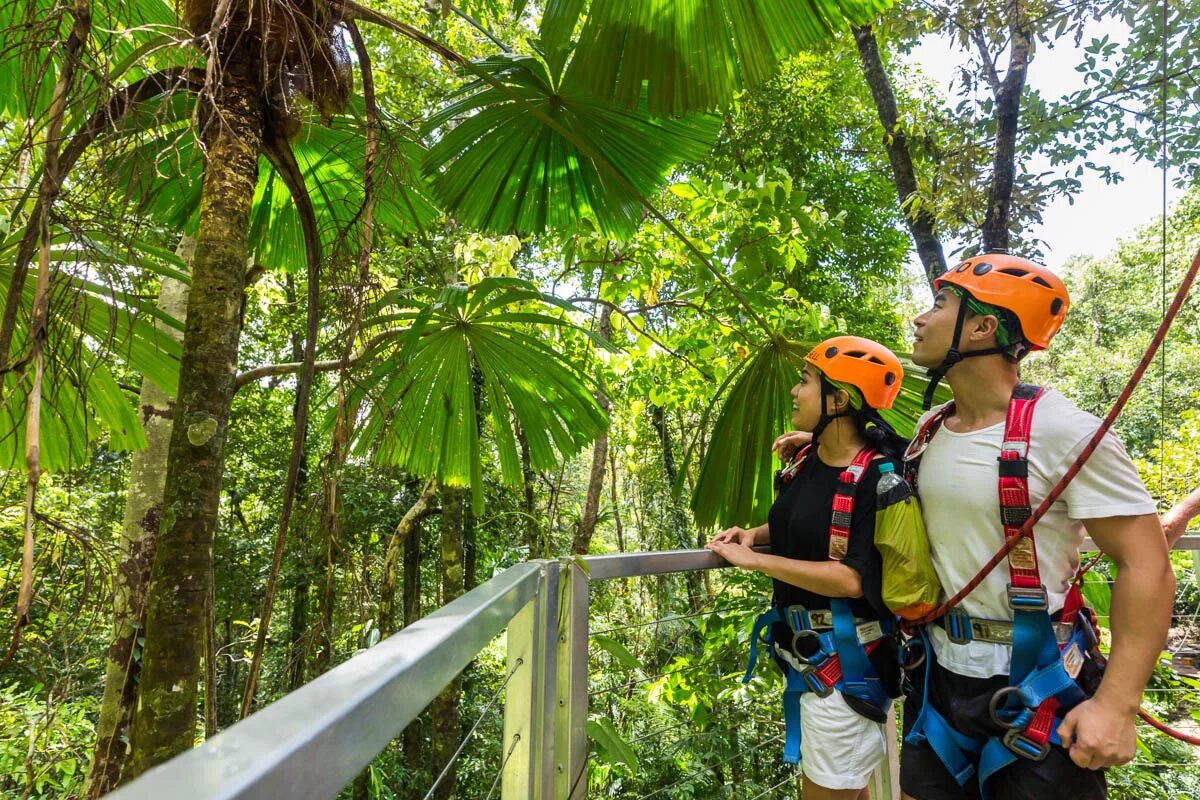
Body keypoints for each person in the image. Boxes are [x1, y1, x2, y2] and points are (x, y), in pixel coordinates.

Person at [896, 253, 1175, 800]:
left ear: (982, 327)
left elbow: (1147, 564)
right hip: (938, 680)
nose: (919, 319)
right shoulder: (931, 430)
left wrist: (1116, 706)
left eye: (940, 304)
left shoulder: (1062, 431)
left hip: (1036, 686)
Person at [707, 335, 909, 800]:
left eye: (806, 381)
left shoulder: (878, 477)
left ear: (840, 400)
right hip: (811, 663)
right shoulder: (806, 463)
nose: (795, 392)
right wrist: (752, 535)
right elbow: (802, 524)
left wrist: (756, 561)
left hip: (844, 669)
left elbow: (852, 579)